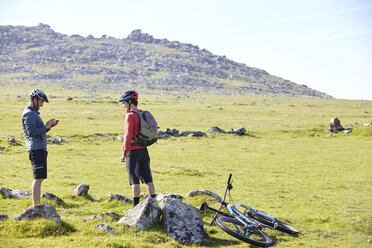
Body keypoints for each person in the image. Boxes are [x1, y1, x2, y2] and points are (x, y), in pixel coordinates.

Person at [21, 89, 58, 206]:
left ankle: (37, 204)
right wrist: (45, 126)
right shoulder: (28, 113)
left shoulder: (33, 113)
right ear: (34, 100)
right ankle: (36, 206)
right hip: (35, 150)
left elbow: (39, 132)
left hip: (39, 149)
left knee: (40, 178)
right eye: (41, 102)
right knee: (38, 178)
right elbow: (31, 132)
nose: (42, 105)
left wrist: (48, 127)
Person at [119, 90, 156, 207]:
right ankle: (154, 205)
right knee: (148, 179)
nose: (123, 105)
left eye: (124, 102)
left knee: (134, 180)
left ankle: (135, 208)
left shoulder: (130, 116)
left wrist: (124, 153)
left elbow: (128, 136)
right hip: (144, 150)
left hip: (133, 152)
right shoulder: (141, 113)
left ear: (130, 101)